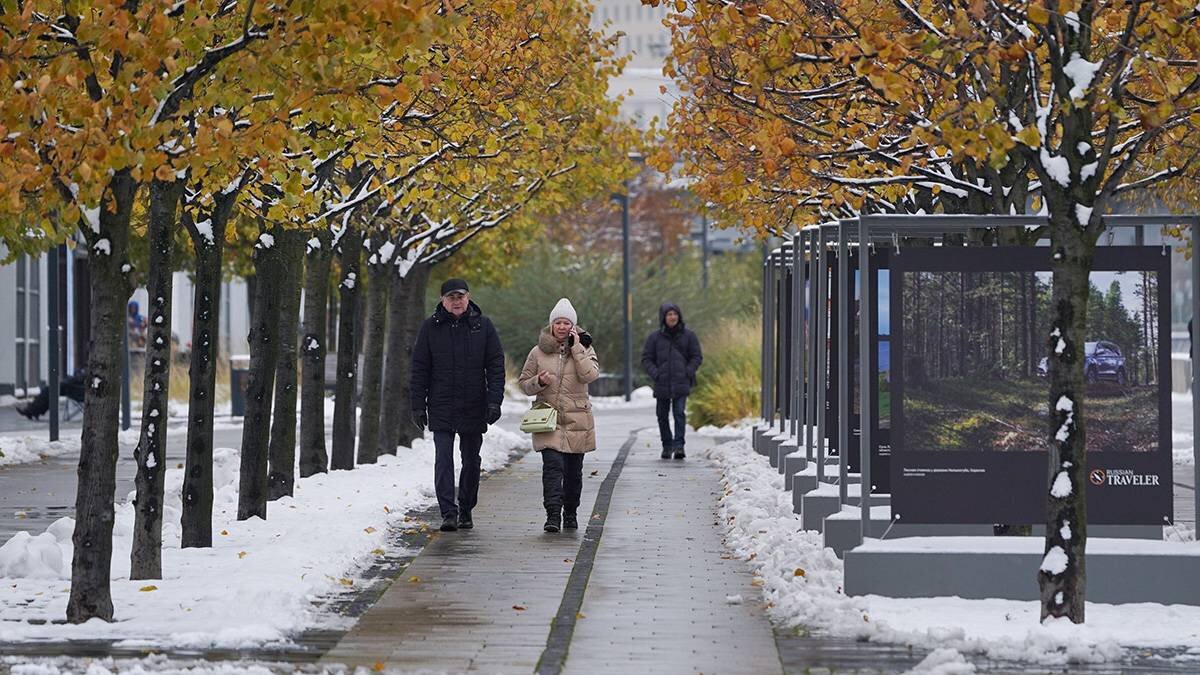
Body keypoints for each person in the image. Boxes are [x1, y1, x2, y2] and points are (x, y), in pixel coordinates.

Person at [410, 278, 505, 532]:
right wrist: (417, 405)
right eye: (451, 297)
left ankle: (466, 508)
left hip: (474, 404)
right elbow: (419, 368)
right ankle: (448, 513)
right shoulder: (430, 328)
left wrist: (494, 401)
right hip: (441, 404)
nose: (457, 301)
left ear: (468, 297)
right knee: (443, 459)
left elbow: (496, 365)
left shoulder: (482, 326)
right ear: (443, 300)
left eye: (460, 296)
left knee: (471, 460)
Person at [519, 298, 599, 533]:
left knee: (574, 472)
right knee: (552, 467)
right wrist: (538, 382)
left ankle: (571, 513)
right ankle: (553, 514)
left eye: (567, 323)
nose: (562, 327)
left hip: (577, 420)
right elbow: (524, 384)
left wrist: (576, 348)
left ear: (573, 326)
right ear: (552, 325)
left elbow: (590, 375)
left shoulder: (585, 349)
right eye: (558, 322)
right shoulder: (537, 352)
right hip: (548, 418)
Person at [641, 302, 703, 459]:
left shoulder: (689, 336)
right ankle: (667, 445)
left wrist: (687, 371)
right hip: (661, 383)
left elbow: (696, 356)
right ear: (664, 317)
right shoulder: (654, 337)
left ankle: (679, 446)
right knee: (662, 415)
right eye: (669, 314)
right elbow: (646, 359)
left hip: (681, 382)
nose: (673, 317)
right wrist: (656, 374)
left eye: (675, 314)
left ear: (679, 316)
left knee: (679, 413)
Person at [15, 369, 88, 420]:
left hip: (73, 388)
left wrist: (78, 373)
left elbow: (80, 377)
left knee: (49, 391)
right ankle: (34, 410)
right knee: (48, 391)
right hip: (72, 387)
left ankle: (33, 410)